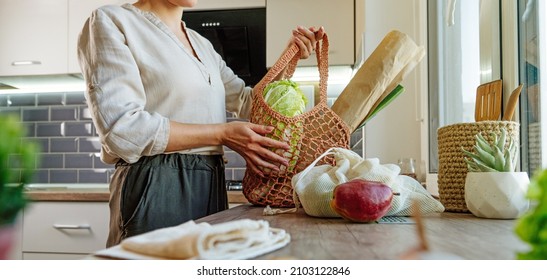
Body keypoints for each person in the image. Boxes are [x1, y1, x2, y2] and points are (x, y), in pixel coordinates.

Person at [77, 0, 324, 247]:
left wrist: (288, 57)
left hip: (210, 180)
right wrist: (222, 134)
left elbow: (249, 103)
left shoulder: (201, 44)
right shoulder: (112, 20)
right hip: (154, 183)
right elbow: (122, 130)